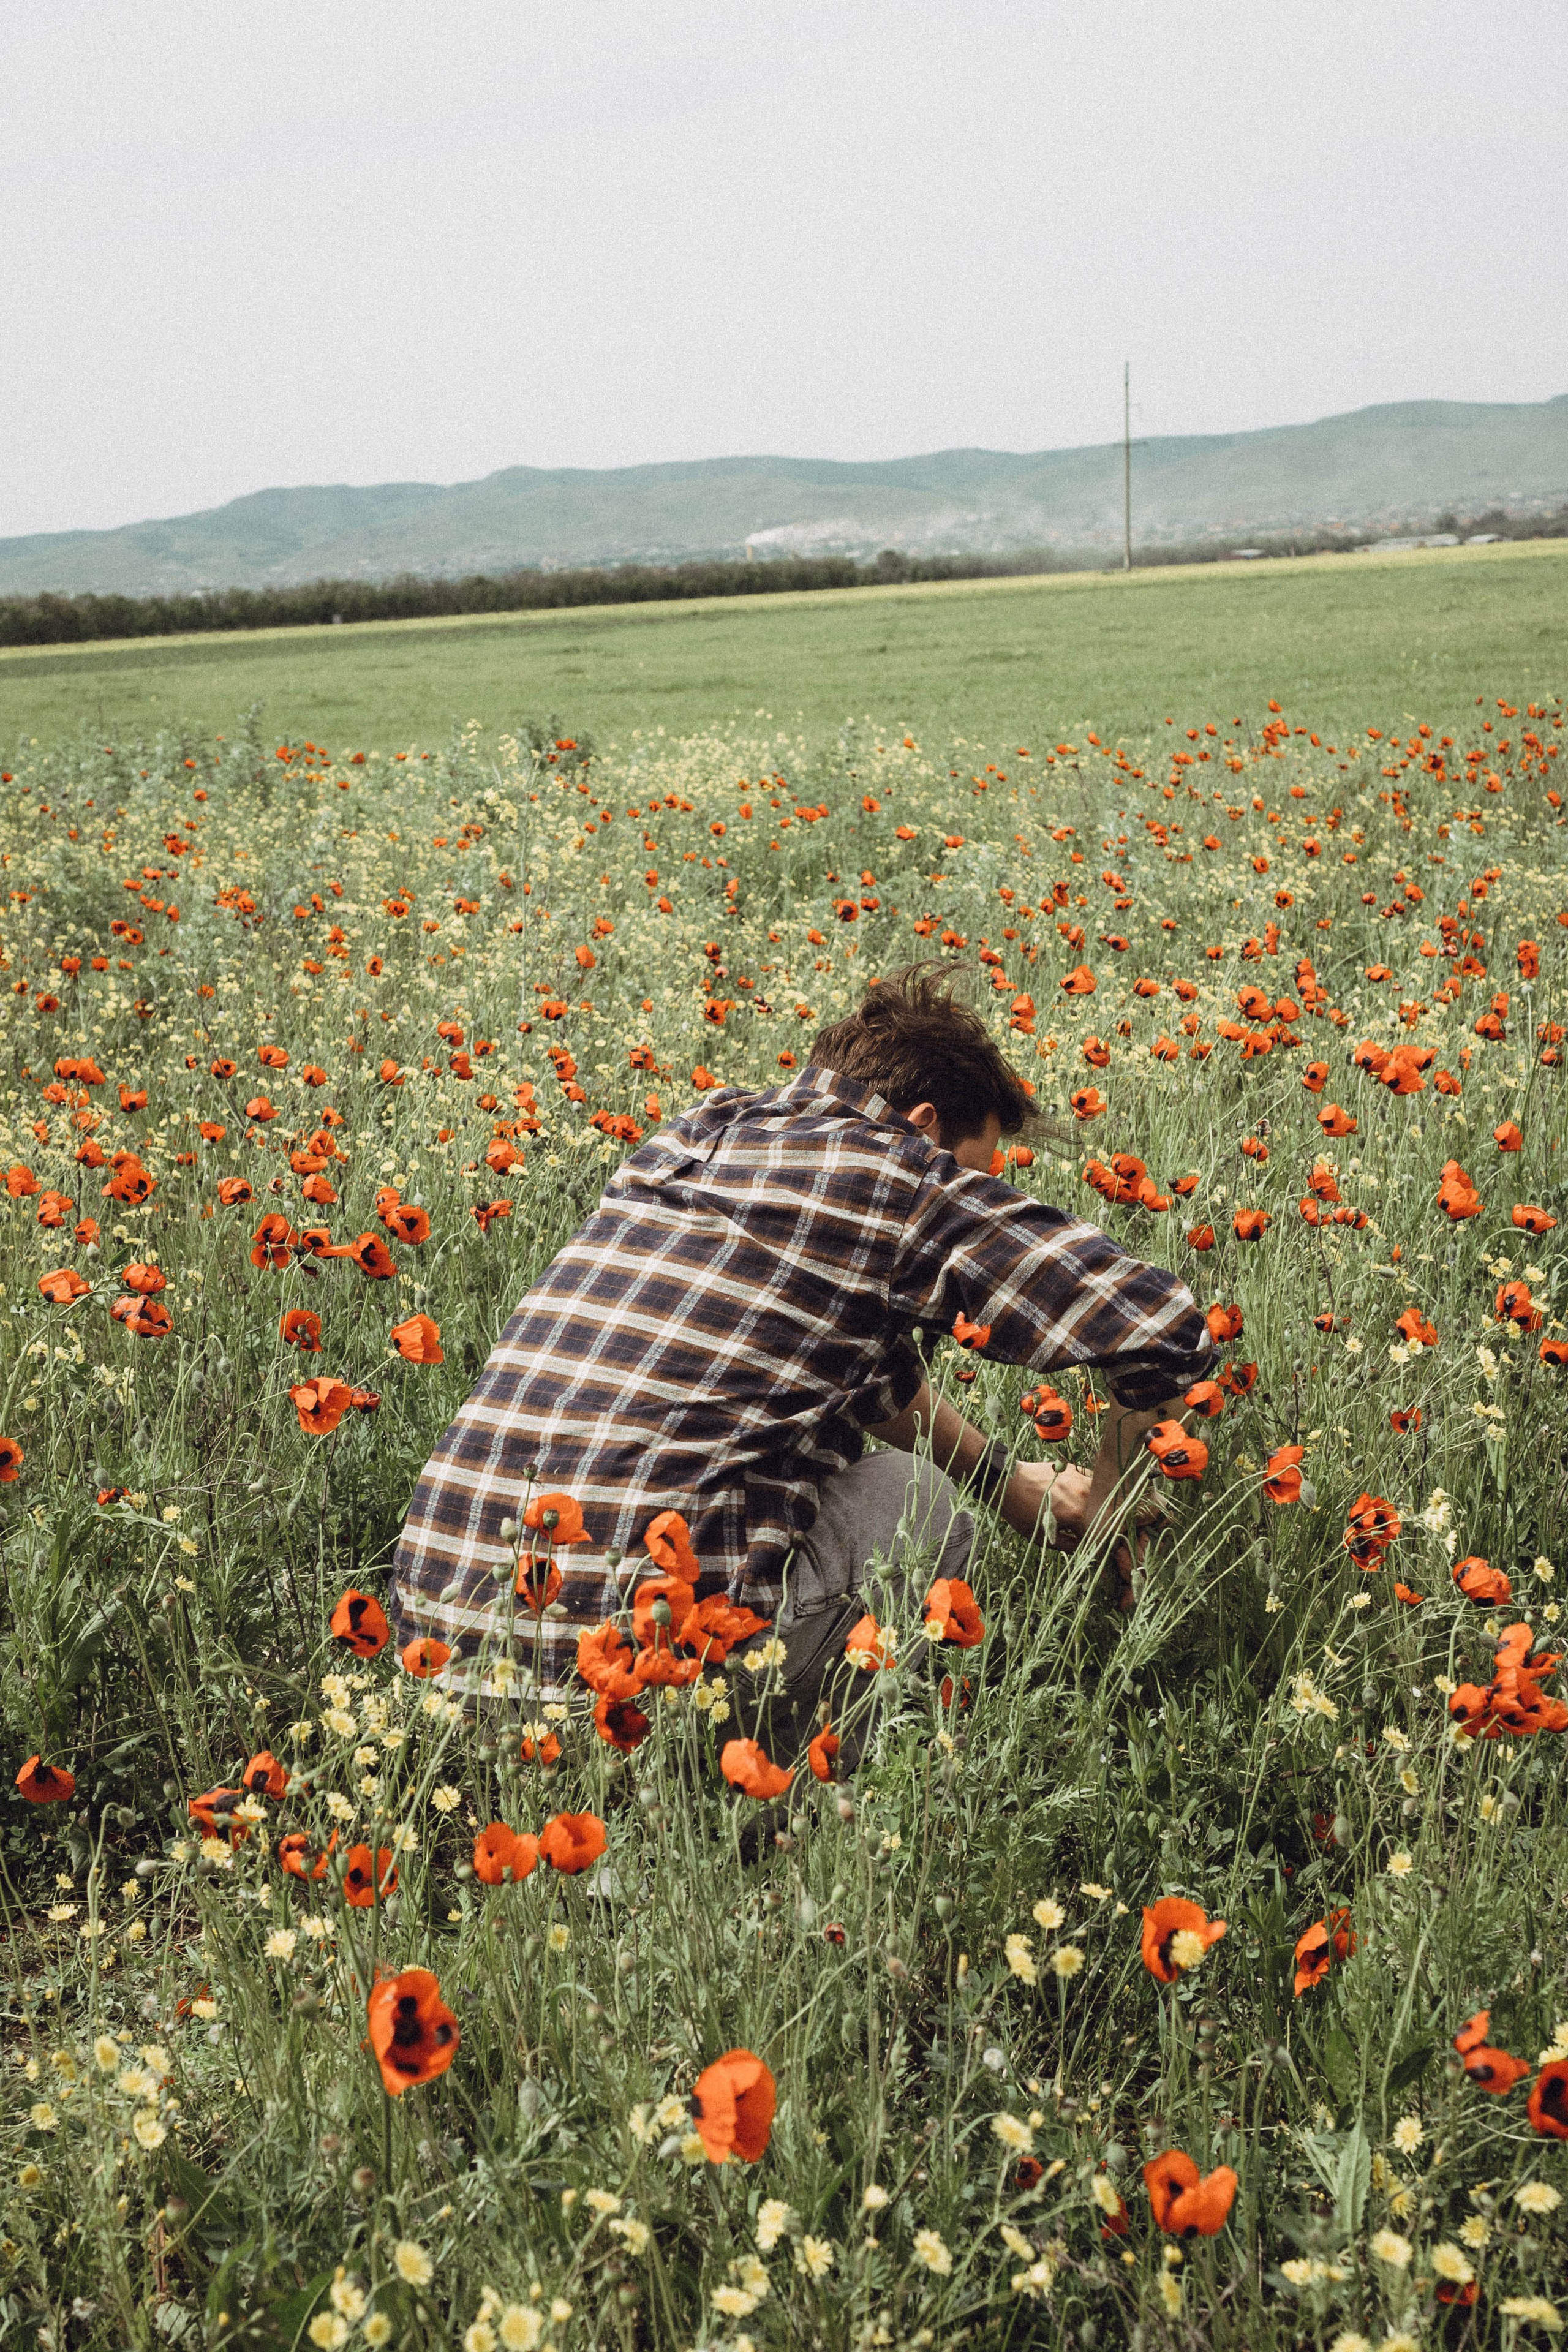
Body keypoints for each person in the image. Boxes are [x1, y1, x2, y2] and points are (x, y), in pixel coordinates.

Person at [390, 963, 1214, 1739]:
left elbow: (865, 1379)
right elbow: (1162, 1322)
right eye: (975, 1169)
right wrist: (1108, 1506)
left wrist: (1010, 1485)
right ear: (923, 1127)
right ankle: (785, 1800)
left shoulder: (697, 1137)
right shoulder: (897, 1174)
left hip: (430, 1672)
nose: (975, 1188)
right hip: (632, 1689)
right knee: (916, 1500)